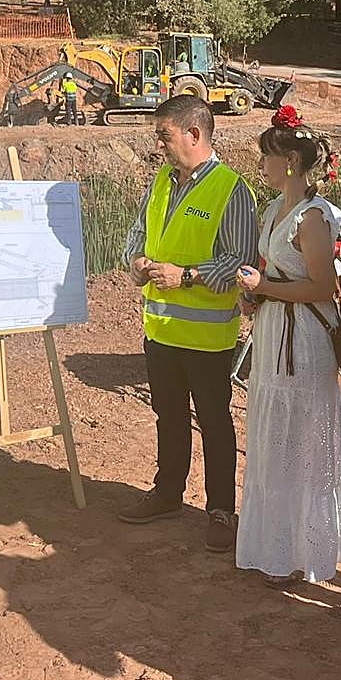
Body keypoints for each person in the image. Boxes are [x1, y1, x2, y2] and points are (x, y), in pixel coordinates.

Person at [120, 94, 259, 552]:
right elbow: (136, 236)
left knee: (215, 423)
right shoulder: (160, 181)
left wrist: (189, 276)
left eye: (165, 136)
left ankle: (221, 510)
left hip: (208, 337)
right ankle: (167, 493)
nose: (159, 146)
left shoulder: (232, 190)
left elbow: (238, 263)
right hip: (160, 330)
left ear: (194, 134)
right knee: (169, 417)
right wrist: (136, 262)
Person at [234, 107, 341, 585]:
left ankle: (303, 549)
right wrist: (255, 294)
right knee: (274, 434)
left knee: (300, 436)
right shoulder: (273, 209)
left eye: (267, 156)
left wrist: (265, 287)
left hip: (302, 342)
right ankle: (276, 545)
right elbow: (277, 277)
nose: (261, 164)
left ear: (289, 160)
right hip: (272, 335)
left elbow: (325, 287)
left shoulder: (313, 217)